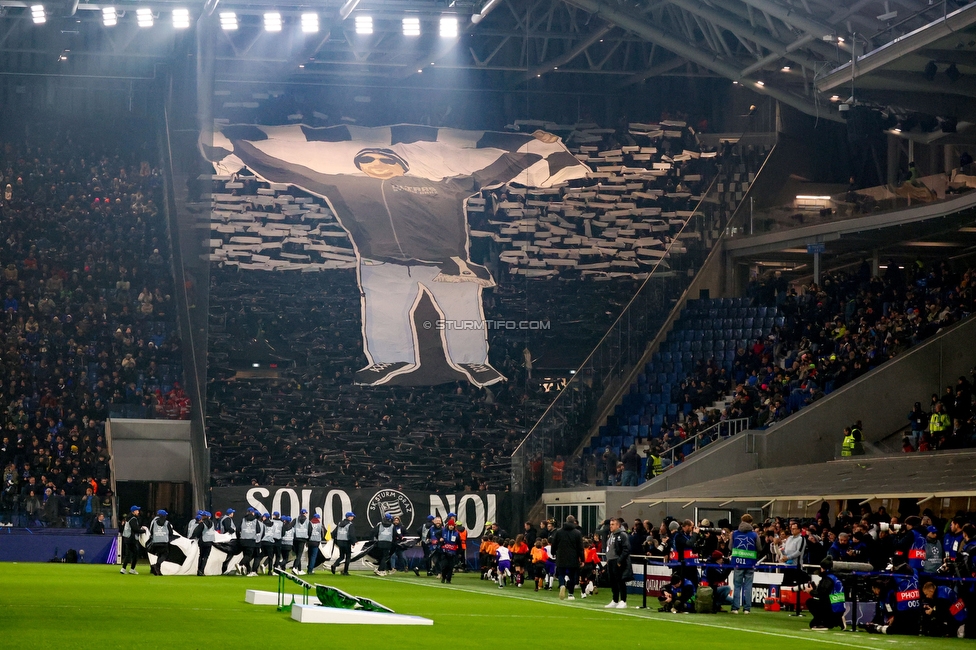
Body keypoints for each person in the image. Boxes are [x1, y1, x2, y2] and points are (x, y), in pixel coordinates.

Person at [804, 557, 846, 631]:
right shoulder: (835, 577)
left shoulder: (828, 579)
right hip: (838, 607)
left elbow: (822, 594)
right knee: (813, 623)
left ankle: (823, 622)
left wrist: (810, 591)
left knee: (810, 602)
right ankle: (836, 620)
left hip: (832, 608)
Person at [551, 514, 585, 601]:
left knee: (561, 573)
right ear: (574, 522)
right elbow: (580, 548)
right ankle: (570, 594)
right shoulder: (577, 533)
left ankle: (562, 585)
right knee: (572, 576)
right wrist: (582, 559)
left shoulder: (559, 532)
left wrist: (553, 552)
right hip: (573, 557)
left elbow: (554, 544)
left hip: (561, 556)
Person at [730, 513, 758, 614]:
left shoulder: (735, 533)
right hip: (750, 563)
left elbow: (730, 547)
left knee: (737, 586)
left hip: (738, 562)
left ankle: (735, 608)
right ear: (751, 522)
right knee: (748, 586)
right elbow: (759, 548)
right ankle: (747, 609)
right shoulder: (754, 534)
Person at [604, 517, 632, 609]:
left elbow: (626, 549)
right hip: (611, 561)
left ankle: (623, 600)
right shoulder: (611, 535)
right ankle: (615, 600)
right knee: (613, 581)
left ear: (618, 525)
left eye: (613, 524)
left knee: (620, 581)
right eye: (610, 524)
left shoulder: (622, 535)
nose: (610, 526)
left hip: (618, 561)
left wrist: (620, 560)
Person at [148, 509, 174, 576]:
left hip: (156, 542)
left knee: (159, 555)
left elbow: (151, 532)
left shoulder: (154, 522)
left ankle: (158, 571)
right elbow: (171, 532)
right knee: (165, 555)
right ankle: (156, 565)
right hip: (164, 542)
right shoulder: (167, 523)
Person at [236, 507, 261, 576]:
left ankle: (248, 570)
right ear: (253, 512)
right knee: (248, 556)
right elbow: (258, 531)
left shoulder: (243, 519)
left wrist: (239, 538)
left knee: (245, 555)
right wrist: (257, 541)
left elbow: (238, 530)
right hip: (251, 540)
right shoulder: (255, 521)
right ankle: (240, 564)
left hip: (243, 540)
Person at [121, 505, 144, 574]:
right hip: (131, 539)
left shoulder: (128, 518)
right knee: (135, 554)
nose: (138, 512)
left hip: (127, 538)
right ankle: (131, 569)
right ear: (133, 512)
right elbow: (135, 529)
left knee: (129, 554)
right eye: (137, 510)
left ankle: (124, 568)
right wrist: (143, 531)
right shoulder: (133, 519)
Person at [190, 511, 215, 576]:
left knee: (201, 556)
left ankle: (199, 570)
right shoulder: (212, 523)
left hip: (203, 541)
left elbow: (197, 532)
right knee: (206, 557)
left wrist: (193, 537)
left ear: (203, 516)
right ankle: (202, 570)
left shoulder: (202, 524)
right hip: (210, 541)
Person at [438, 519, 461, 583]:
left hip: (452, 552)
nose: (451, 526)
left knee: (450, 567)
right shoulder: (443, 531)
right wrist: (440, 539)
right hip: (444, 552)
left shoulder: (456, 533)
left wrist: (459, 552)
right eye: (450, 525)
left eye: (452, 525)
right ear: (448, 525)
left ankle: (448, 579)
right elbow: (437, 535)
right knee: (444, 566)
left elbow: (459, 543)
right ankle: (443, 577)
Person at [291, 509, 310, 575]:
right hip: (303, 540)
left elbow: (291, 527)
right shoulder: (307, 521)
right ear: (305, 514)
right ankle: (295, 567)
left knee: (297, 555)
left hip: (295, 539)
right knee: (299, 555)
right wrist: (308, 541)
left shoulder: (295, 519)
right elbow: (310, 531)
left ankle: (299, 569)